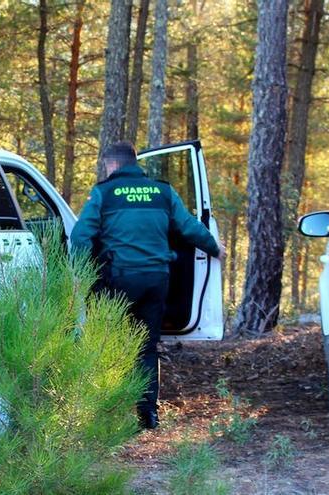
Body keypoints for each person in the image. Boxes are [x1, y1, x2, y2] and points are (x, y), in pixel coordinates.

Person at [71, 141, 224, 429]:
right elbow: (189, 227)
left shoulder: (104, 193)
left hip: (118, 280)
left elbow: (81, 236)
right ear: (134, 162)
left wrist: (80, 273)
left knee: (109, 343)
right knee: (146, 346)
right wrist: (214, 247)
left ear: (111, 165)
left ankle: (108, 411)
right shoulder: (162, 191)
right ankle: (147, 414)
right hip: (156, 280)